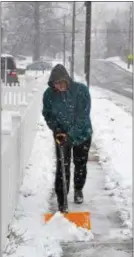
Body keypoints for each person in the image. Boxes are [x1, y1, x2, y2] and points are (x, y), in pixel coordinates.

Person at [42, 64, 93, 212]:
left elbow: (83, 117)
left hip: (82, 134)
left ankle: (78, 189)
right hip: (61, 135)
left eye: (61, 82)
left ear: (67, 80)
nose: (59, 86)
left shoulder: (81, 91)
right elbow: (48, 114)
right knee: (62, 167)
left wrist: (71, 135)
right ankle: (62, 201)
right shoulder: (49, 94)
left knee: (80, 163)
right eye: (56, 83)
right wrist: (56, 128)